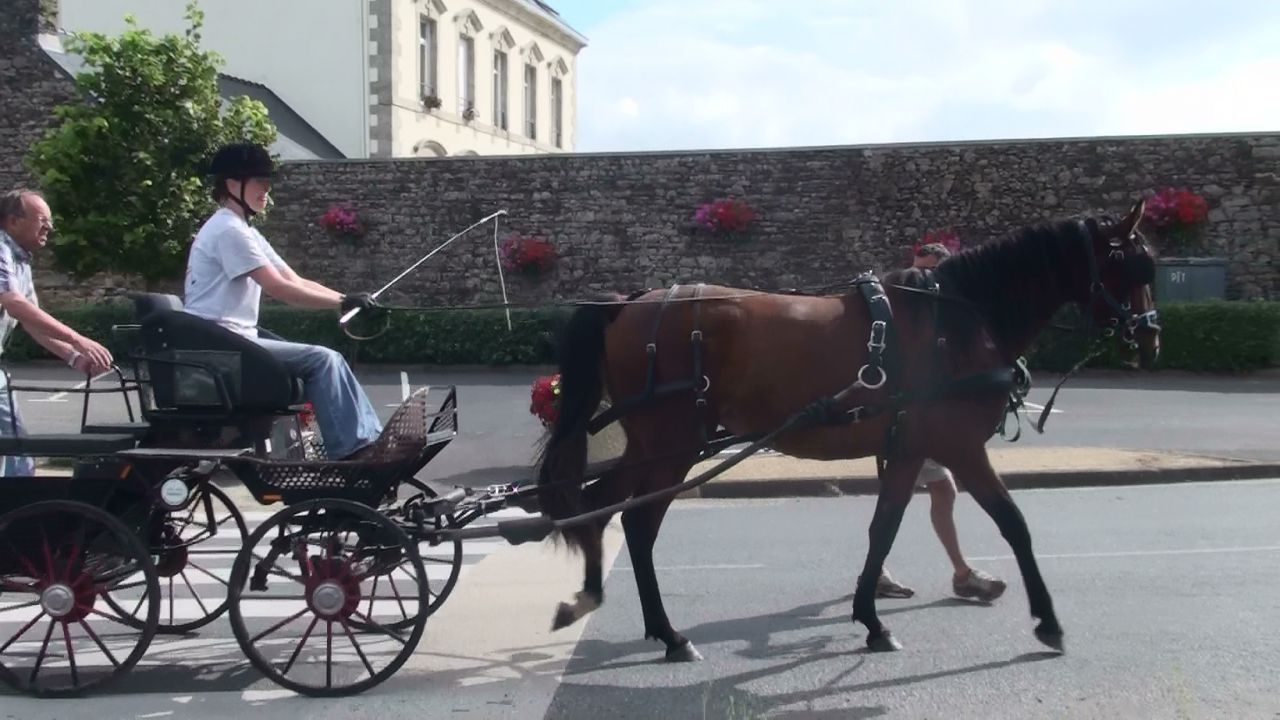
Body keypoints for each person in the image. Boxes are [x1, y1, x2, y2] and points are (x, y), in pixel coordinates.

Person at [182, 142, 383, 461]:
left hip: (232, 342)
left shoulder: (244, 230)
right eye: (259, 181)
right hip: (221, 349)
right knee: (323, 360)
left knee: (325, 359)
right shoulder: (228, 231)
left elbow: (295, 280)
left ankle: (367, 441)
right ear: (233, 184)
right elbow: (278, 288)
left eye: (267, 181)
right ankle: (353, 451)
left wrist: (347, 299)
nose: (267, 188)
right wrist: (342, 303)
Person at [875, 242, 1007, 602]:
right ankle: (957, 574)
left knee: (929, 492)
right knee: (909, 495)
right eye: (915, 268)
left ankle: (888, 571)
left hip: (914, 419)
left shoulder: (940, 313)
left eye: (926, 270)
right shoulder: (918, 314)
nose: (916, 276)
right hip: (911, 422)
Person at [0, 189, 115, 475]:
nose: (49, 228)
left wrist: (74, 357)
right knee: (15, 451)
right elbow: (13, 303)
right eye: (42, 220)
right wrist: (78, 339)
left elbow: (31, 321)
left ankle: (20, 498)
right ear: (13, 221)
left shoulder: (20, 260)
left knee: (17, 450)